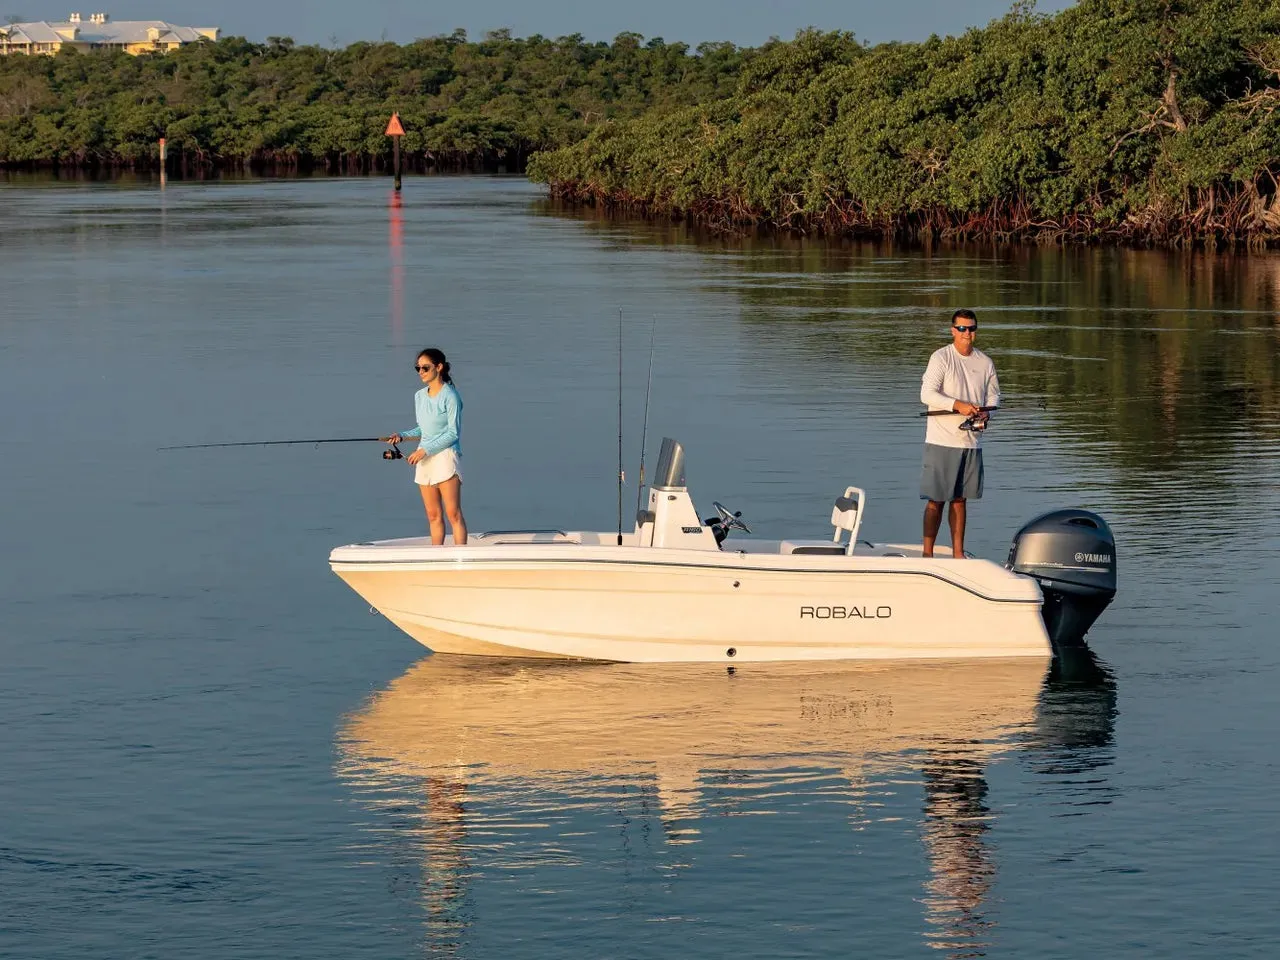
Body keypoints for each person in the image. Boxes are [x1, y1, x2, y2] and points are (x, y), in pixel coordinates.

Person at [919, 309, 1000, 559]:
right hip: (941, 441)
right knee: (936, 500)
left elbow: (994, 396)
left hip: (971, 441)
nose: (967, 334)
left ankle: (958, 555)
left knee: (960, 499)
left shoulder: (985, 362)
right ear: (953, 330)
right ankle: (927, 554)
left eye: (972, 328)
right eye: (962, 329)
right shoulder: (941, 357)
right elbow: (927, 394)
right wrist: (958, 405)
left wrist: (987, 414)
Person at [390, 348, 467, 546]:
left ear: (439, 367)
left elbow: (453, 433)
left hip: (445, 456)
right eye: (418, 368)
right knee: (433, 515)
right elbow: (423, 429)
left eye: (425, 367)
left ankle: (460, 557)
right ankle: (437, 556)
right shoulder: (419, 396)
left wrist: (424, 450)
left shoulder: (451, 396)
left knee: (453, 514)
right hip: (424, 458)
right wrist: (402, 436)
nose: (421, 372)